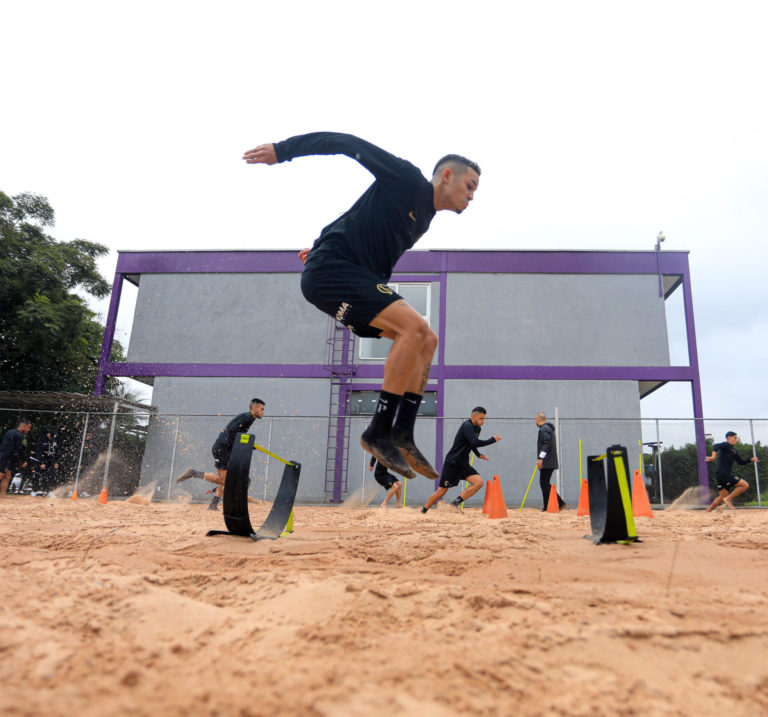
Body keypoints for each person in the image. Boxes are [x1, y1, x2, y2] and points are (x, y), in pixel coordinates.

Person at [243, 133, 480, 481]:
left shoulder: (425, 217)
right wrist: (283, 152)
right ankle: (378, 431)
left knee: (427, 340)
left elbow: (360, 222)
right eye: (470, 186)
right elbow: (345, 143)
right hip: (332, 271)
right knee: (412, 329)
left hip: (341, 275)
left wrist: (321, 243)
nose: (472, 197)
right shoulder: (406, 178)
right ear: (447, 175)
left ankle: (403, 433)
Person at [176, 399, 265, 510]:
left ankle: (213, 505)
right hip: (222, 448)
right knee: (226, 481)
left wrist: (251, 446)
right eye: (262, 409)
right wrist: (250, 446)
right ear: (254, 409)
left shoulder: (247, 417)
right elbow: (234, 434)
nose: (263, 412)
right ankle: (193, 473)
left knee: (227, 479)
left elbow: (237, 436)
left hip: (225, 449)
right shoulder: (248, 418)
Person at [421, 407, 501, 513]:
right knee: (441, 491)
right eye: (481, 419)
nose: (483, 421)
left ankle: (454, 504)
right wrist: (492, 440)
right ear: (474, 417)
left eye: (484, 419)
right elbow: (476, 442)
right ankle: (424, 510)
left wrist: (478, 454)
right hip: (453, 463)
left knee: (478, 482)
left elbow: (472, 444)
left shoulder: (477, 428)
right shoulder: (467, 426)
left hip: (463, 463)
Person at [705, 431, 758, 512]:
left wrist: (750, 460)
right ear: (729, 438)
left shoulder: (734, 450)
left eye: (736, 438)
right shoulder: (727, 445)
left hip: (721, 475)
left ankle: (707, 511)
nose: (736, 440)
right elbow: (717, 445)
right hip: (723, 474)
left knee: (722, 498)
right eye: (735, 438)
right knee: (745, 485)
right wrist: (713, 457)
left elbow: (741, 462)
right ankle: (729, 499)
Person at [535, 412, 565, 510]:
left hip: (547, 461)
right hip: (550, 461)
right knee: (545, 483)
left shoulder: (543, 429)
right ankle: (554, 504)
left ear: (537, 419)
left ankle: (553, 505)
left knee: (544, 483)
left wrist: (540, 458)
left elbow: (546, 444)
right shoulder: (549, 429)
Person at [0, 419, 32, 499]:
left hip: (5, 455)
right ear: (23, 426)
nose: (29, 430)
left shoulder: (9, 432)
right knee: (1, 474)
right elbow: (19, 449)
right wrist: (23, 460)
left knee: (7, 476)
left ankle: (3, 495)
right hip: (6, 456)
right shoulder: (19, 435)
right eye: (28, 427)